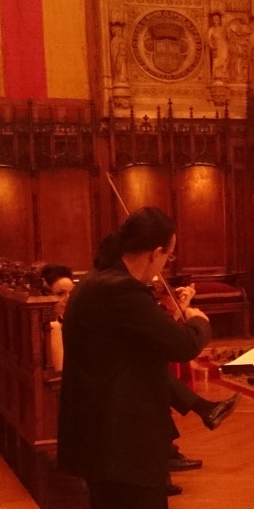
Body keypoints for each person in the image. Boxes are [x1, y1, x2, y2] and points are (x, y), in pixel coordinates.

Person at [58, 207, 212, 509]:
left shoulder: (94, 281)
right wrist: (198, 319)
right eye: (168, 256)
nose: (166, 264)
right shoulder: (123, 292)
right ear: (155, 252)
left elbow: (130, 347)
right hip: (123, 447)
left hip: (97, 440)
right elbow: (183, 346)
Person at [40, 264, 75, 372]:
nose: (68, 298)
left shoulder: (68, 319)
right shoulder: (49, 326)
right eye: (60, 293)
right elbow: (60, 371)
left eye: (72, 293)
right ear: (44, 295)